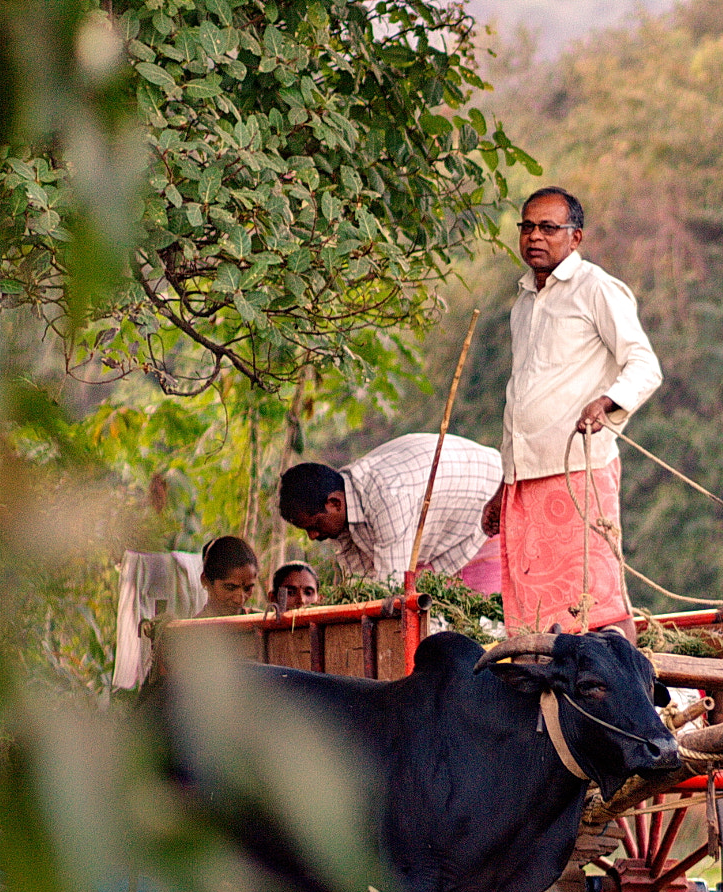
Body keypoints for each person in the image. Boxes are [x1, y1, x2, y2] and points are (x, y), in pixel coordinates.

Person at [488, 185, 663, 635]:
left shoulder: (596, 289)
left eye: (549, 228)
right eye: (527, 226)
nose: (535, 237)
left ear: (575, 238)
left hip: (578, 470)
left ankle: (623, 690)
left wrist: (607, 402)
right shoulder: (524, 302)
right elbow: (522, 397)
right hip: (524, 479)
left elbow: (644, 364)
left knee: (598, 599)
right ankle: (551, 699)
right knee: (538, 610)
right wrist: (502, 488)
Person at [278, 434, 503, 592]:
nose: (312, 536)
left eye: (314, 526)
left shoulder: (388, 496)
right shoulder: (346, 506)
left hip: (489, 507)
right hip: (437, 533)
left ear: (335, 503)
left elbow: (391, 590)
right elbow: (362, 585)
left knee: (480, 632)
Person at [196, 535, 259, 617]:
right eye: (230, 587)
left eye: (247, 589)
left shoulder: (265, 624)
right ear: (205, 581)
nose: (240, 600)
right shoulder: (189, 628)